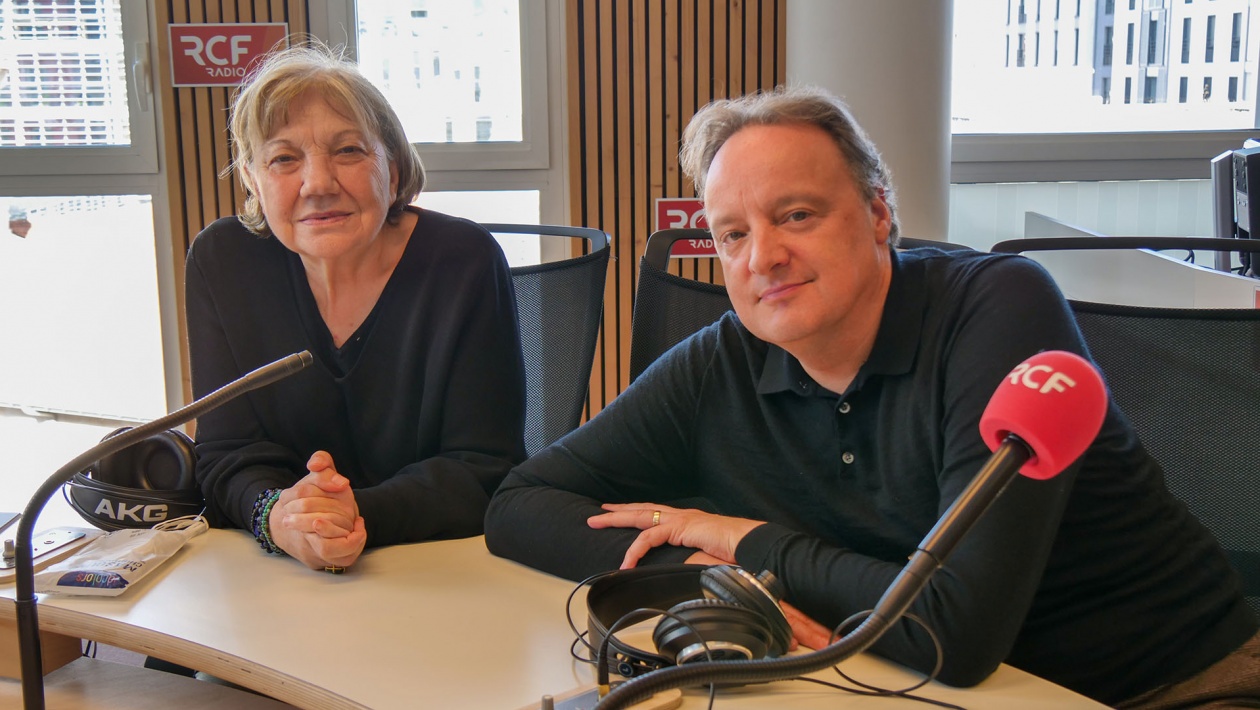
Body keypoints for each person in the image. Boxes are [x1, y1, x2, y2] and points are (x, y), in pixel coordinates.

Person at [484, 85, 1260, 707]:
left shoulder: (999, 310)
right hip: (895, 684)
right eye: (732, 234)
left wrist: (745, 541)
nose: (766, 257)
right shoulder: (721, 360)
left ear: (880, 212)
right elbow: (521, 504)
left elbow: (953, 630)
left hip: (1172, 683)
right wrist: (721, 579)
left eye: (797, 215)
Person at [186, 43, 526, 573]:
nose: (318, 184)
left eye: (348, 151)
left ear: (392, 163)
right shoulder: (224, 260)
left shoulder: (464, 261)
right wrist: (276, 517)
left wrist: (352, 514)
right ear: (252, 178)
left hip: (439, 570)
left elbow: (484, 466)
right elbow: (228, 454)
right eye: (283, 159)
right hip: (274, 576)